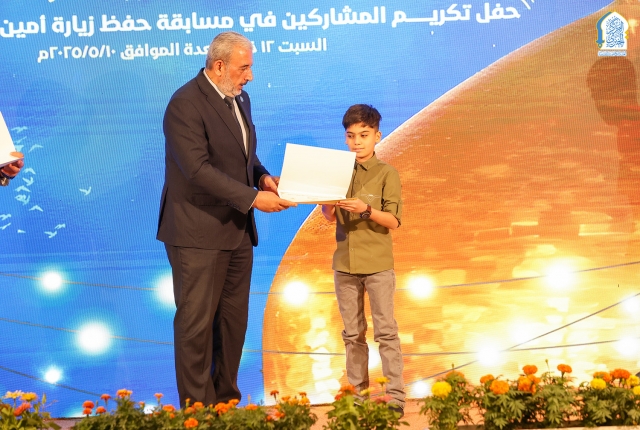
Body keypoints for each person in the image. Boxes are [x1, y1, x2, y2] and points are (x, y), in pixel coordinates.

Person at [157, 31, 295, 407]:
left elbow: (241, 154)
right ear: (219, 66)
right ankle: (198, 412)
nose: (250, 76)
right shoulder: (185, 104)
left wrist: (262, 177)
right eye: (243, 68)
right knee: (196, 326)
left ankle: (225, 404)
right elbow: (197, 170)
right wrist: (253, 198)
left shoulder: (240, 97)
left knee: (232, 324)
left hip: (236, 232)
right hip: (196, 233)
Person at [321, 104, 405, 417]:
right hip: (344, 265)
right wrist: (326, 203)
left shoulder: (387, 173)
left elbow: (394, 221)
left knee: (386, 333)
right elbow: (330, 217)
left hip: (378, 265)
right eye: (351, 135)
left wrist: (365, 209)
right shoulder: (337, 172)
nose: (357, 141)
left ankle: (395, 398)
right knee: (352, 335)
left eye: (364, 135)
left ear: (377, 136)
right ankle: (358, 397)